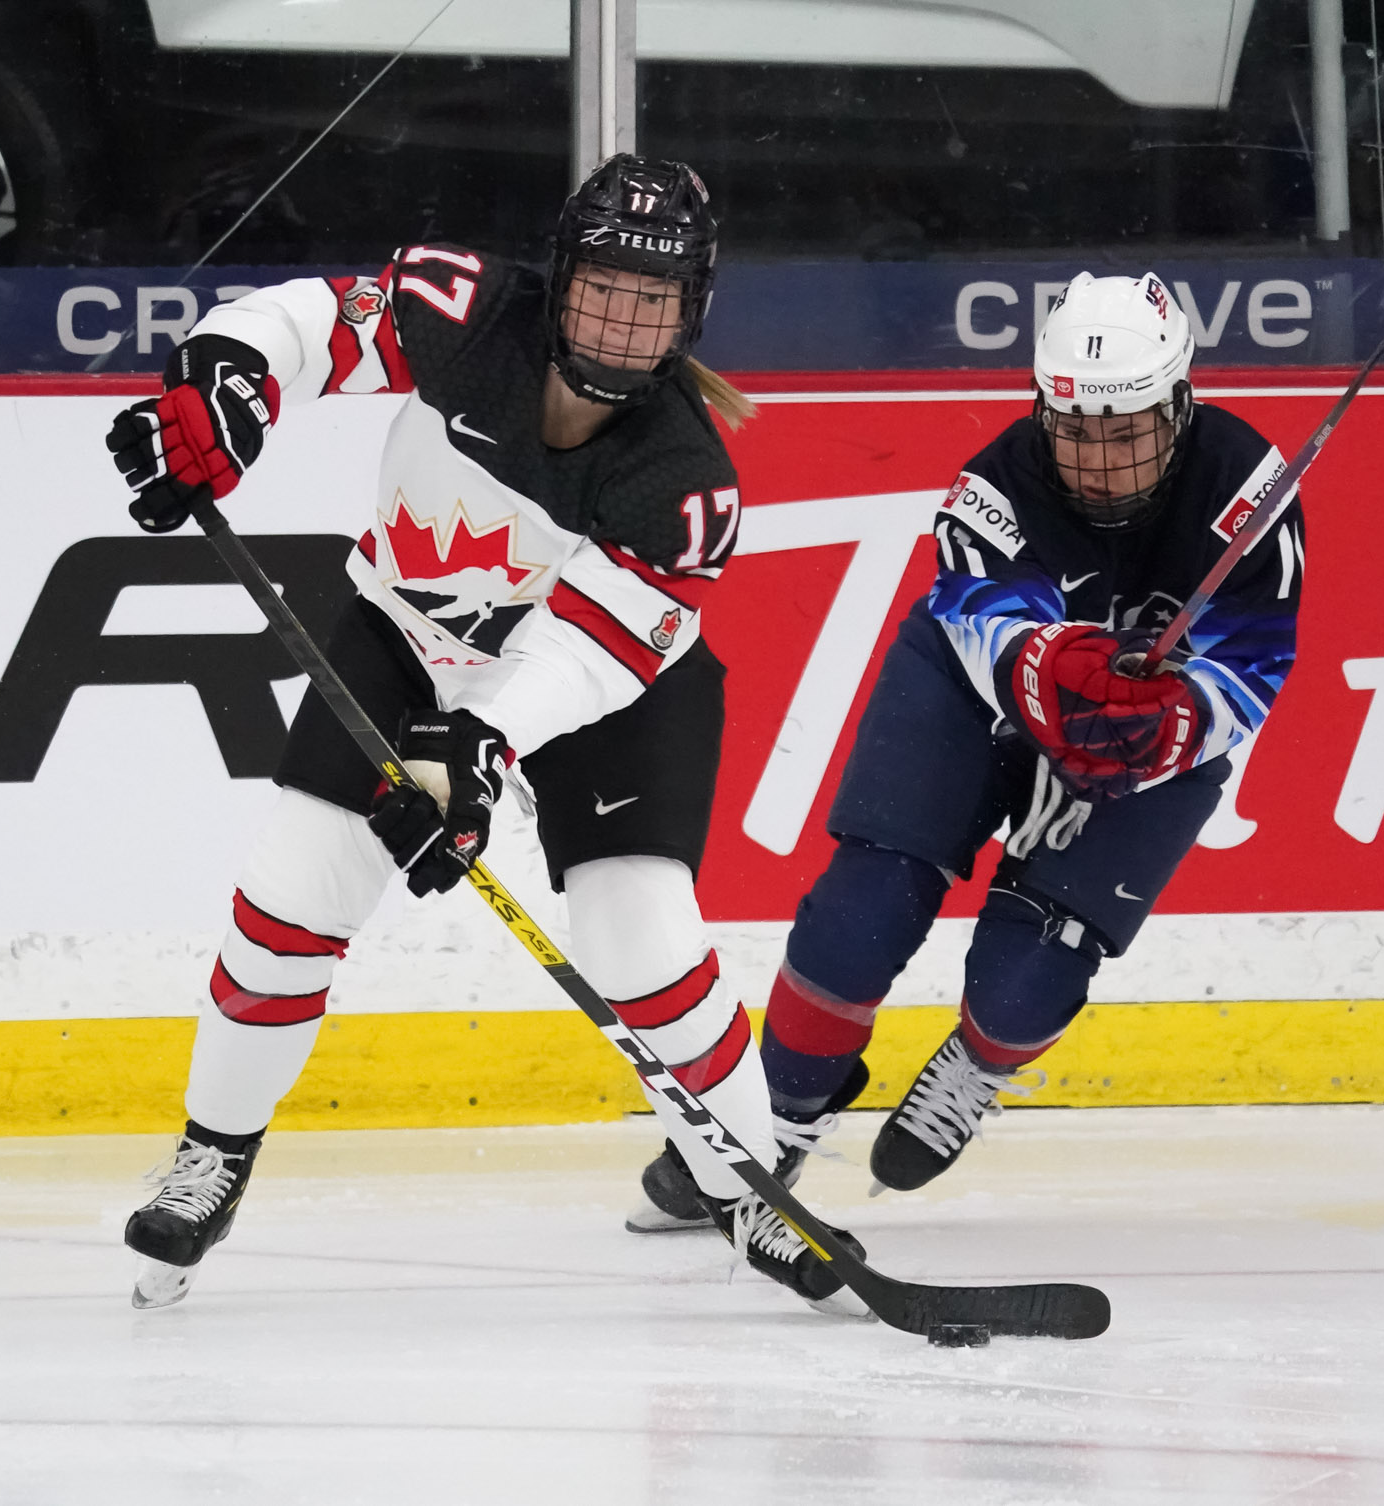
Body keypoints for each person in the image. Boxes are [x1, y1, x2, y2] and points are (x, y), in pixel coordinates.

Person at [101, 154, 870, 1315]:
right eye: (604, 287)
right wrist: (227, 383)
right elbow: (313, 323)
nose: (620, 322)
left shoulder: (684, 480)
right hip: (405, 637)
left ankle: (748, 1186)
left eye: (651, 302)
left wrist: (475, 751)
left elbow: (582, 658)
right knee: (288, 900)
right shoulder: (465, 313)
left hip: (606, 691)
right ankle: (213, 1153)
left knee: (639, 941)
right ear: (557, 278)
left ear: (691, 312)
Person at [628, 270, 1304, 1229]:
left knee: (1028, 983)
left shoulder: (1251, 491)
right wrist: (1053, 671)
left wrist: (1169, 727)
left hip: (1149, 734)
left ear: (1179, 402)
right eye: (1075, 430)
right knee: (857, 919)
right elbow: (984, 625)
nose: (1100, 462)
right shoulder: (996, 483)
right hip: (970, 692)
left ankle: (979, 1066)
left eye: (1126, 431)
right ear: (1043, 406)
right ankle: (766, 1124)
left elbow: (1256, 662)